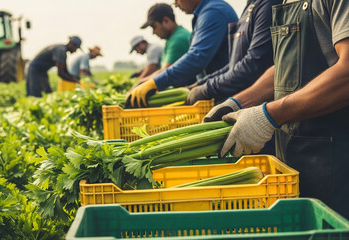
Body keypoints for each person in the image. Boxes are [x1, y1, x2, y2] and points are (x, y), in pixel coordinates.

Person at [204, 0, 349, 218]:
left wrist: (269, 115)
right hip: (292, 160)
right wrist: (238, 102)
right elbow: (283, 67)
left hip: (335, 161)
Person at [126, 0, 238, 108]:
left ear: (166, 21)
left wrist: (154, 82)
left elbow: (197, 58)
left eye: (177, 0)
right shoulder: (205, 13)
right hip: (215, 90)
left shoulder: (213, 12)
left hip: (226, 94)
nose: (176, 4)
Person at [186, 0, 282, 105]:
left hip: (254, 104)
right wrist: (200, 84)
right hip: (238, 100)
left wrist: (207, 88)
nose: (176, 4)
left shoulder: (268, 4)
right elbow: (234, 64)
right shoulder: (250, 6)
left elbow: (255, 63)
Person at [138, 3, 191, 82]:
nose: (153, 32)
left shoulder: (178, 40)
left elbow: (165, 74)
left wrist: (140, 82)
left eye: (154, 27)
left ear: (166, 21)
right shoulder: (171, 39)